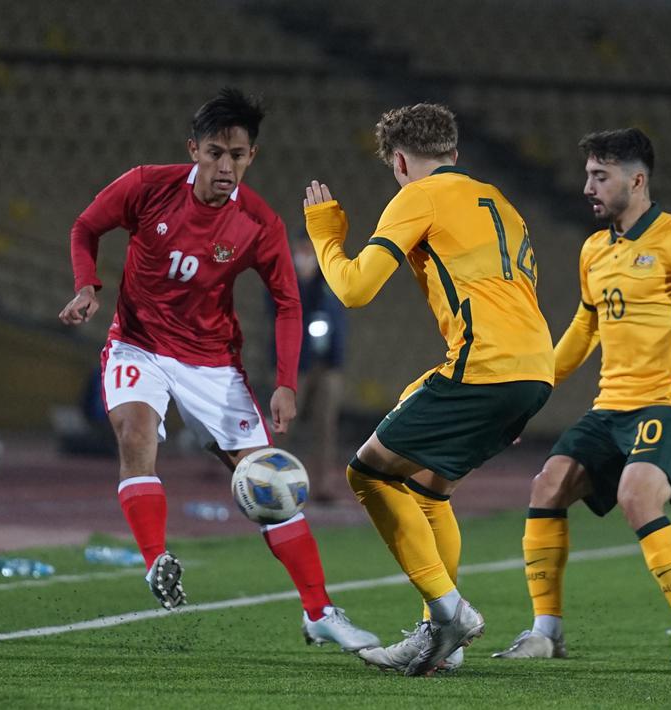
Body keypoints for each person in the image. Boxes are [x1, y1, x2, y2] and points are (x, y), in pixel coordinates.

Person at [58, 88, 379, 652]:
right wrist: (87, 284)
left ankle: (319, 611)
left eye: (237, 154)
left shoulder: (259, 222)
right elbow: (85, 227)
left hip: (212, 364)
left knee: (272, 485)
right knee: (135, 433)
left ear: (252, 157)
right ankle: (157, 559)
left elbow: (287, 302)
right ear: (194, 151)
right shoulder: (147, 186)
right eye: (215, 153)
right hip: (138, 345)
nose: (226, 166)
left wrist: (284, 381)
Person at [302, 103, 554, 675]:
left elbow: (354, 289)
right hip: (534, 369)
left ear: (399, 161)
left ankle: (448, 615)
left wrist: (326, 236)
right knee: (430, 489)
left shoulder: (418, 196)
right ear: (455, 154)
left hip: (485, 365)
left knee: (367, 471)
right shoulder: (503, 204)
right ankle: (444, 643)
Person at [492, 128, 671, 664]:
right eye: (588, 174)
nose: (588, 186)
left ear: (636, 181)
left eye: (600, 176)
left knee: (638, 495)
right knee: (546, 485)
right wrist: (531, 395)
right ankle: (546, 632)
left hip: (666, 402)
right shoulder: (594, 250)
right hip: (609, 407)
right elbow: (582, 333)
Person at [280, 238, 349, 504]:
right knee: (284, 423)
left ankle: (322, 485)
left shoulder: (332, 280)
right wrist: (303, 281)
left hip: (328, 364)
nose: (307, 257)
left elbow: (340, 316)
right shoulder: (284, 278)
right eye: (302, 251)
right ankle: (270, 481)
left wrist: (337, 358)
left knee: (326, 426)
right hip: (295, 363)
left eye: (311, 252)